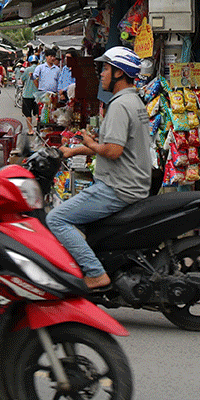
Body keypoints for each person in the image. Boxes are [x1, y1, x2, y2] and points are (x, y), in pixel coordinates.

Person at [45, 46, 151, 290]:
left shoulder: (120, 106)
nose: (101, 74)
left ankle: (95, 273)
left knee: (57, 218)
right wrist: (75, 151)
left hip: (117, 188)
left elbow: (113, 150)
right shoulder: (133, 101)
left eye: (105, 69)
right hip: (129, 182)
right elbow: (111, 146)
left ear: (119, 74)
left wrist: (91, 143)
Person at [19, 52, 40, 141]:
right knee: (37, 113)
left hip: (27, 95)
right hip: (38, 95)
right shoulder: (40, 69)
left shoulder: (27, 70)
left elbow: (22, 79)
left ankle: (30, 130)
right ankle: (38, 129)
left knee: (28, 113)